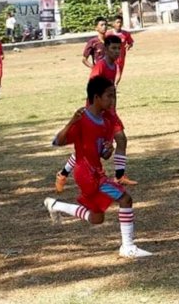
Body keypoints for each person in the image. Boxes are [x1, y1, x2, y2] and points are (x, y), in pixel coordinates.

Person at [44, 76, 151, 259]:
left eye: (114, 95)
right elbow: (57, 141)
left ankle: (55, 205)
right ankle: (128, 247)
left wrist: (108, 150)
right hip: (87, 173)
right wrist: (71, 122)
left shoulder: (106, 120)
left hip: (95, 171)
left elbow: (104, 154)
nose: (113, 100)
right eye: (109, 96)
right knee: (125, 199)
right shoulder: (82, 119)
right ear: (96, 97)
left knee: (97, 218)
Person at [55, 35, 137, 193]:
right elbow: (92, 90)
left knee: (121, 139)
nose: (116, 52)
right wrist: (94, 113)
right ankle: (63, 173)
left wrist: (112, 109)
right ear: (105, 49)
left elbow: (111, 92)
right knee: (88, 151)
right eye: (113, 48)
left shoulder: (114, 66)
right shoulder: (100, 66)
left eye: (118, 48)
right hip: (96, 114)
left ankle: (119, 176)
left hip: (109, 113)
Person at [106, 15, 134, 86]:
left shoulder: (126, 34)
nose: (119, 24)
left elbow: (130, 42)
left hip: (121, 58)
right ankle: (113, 87)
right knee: (116, 72)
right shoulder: (108, 34)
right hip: (111, 58)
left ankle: (113, 86)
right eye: (117, 22)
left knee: (119, 73)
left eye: (121, 22)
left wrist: (129, 45)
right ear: (113, 24)